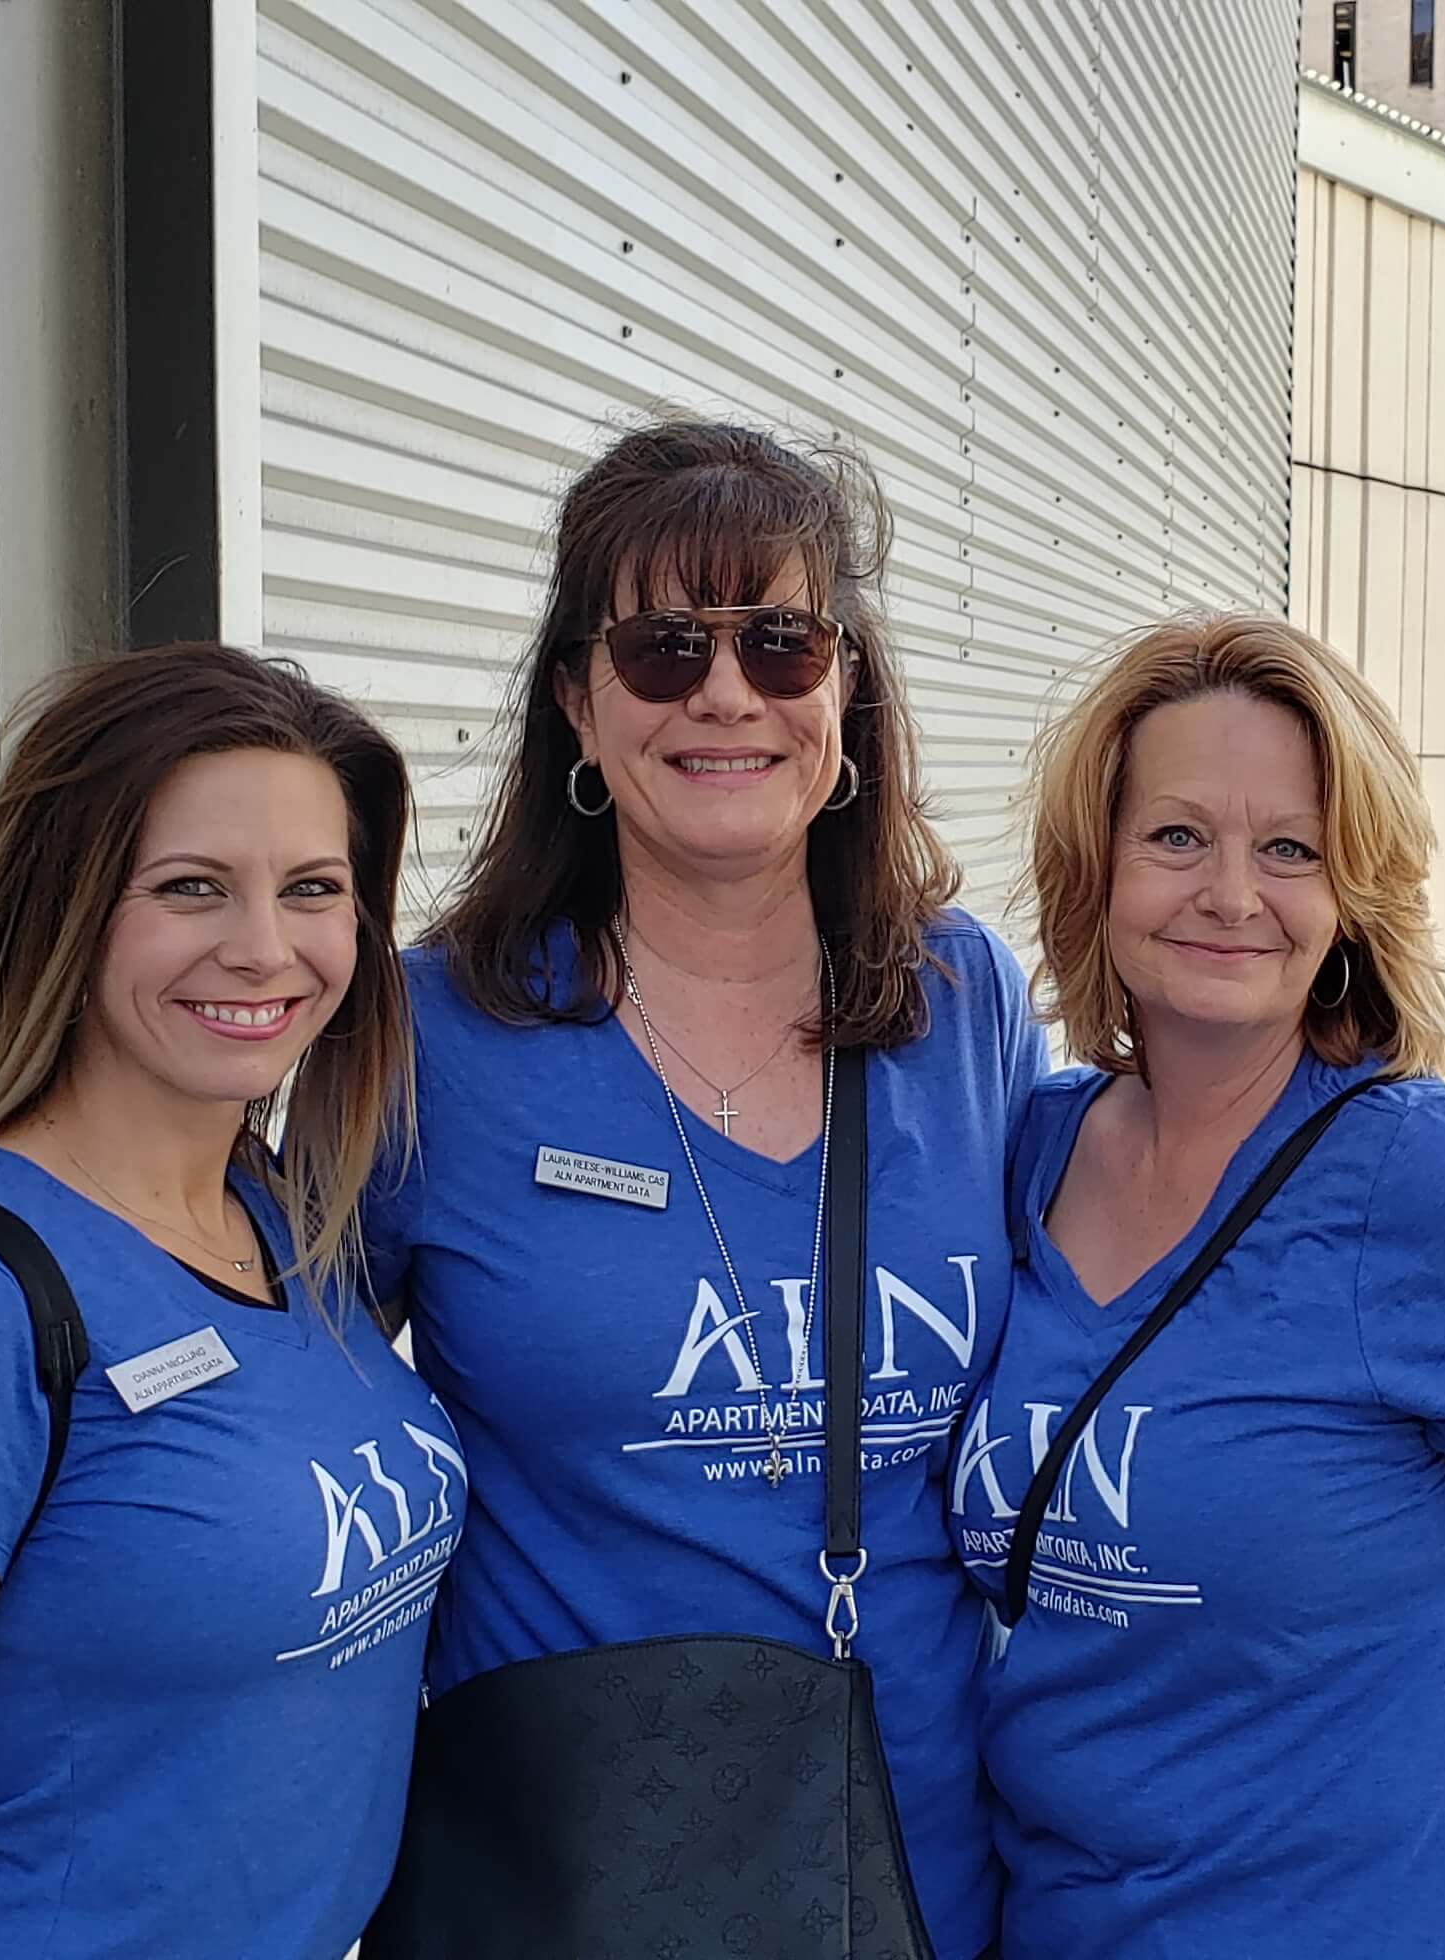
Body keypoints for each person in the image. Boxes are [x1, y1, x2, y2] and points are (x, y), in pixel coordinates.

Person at [955, 614, 1445, 1960]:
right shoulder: (1029, 1151)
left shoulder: (1433, 1182)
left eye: (1290, 849)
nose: (1230, 893)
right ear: (1098, 870)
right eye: (1177, 836)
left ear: (1352, 896)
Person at [376, 419, 1044, 1958]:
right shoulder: (432, 1036)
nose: (728, 693)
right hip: (577, 1872)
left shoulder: (965, 1004)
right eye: (665, 650)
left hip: (924, 1868)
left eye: (783, 642)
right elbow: (287, 1415)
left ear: (848, 688)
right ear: (577, 704)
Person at [0, 646, 459, 1957]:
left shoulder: (291, 1224)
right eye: (191, 889)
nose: (263, 949)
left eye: (313, 891)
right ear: (63, 908)